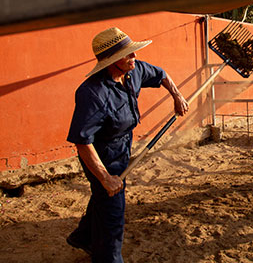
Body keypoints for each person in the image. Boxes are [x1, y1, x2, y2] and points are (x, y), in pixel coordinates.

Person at [66, 27, 188, 262]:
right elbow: (82, 142)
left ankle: (83, 237)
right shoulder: (93, 93)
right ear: (112, 60)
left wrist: (177, 96)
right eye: (128, 54)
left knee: (104, 197)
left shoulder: (134, 71)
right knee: (113, 211)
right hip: (100, 156)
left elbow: (161, 74)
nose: (135, 57)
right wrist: (105, 177)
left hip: (123, 148)